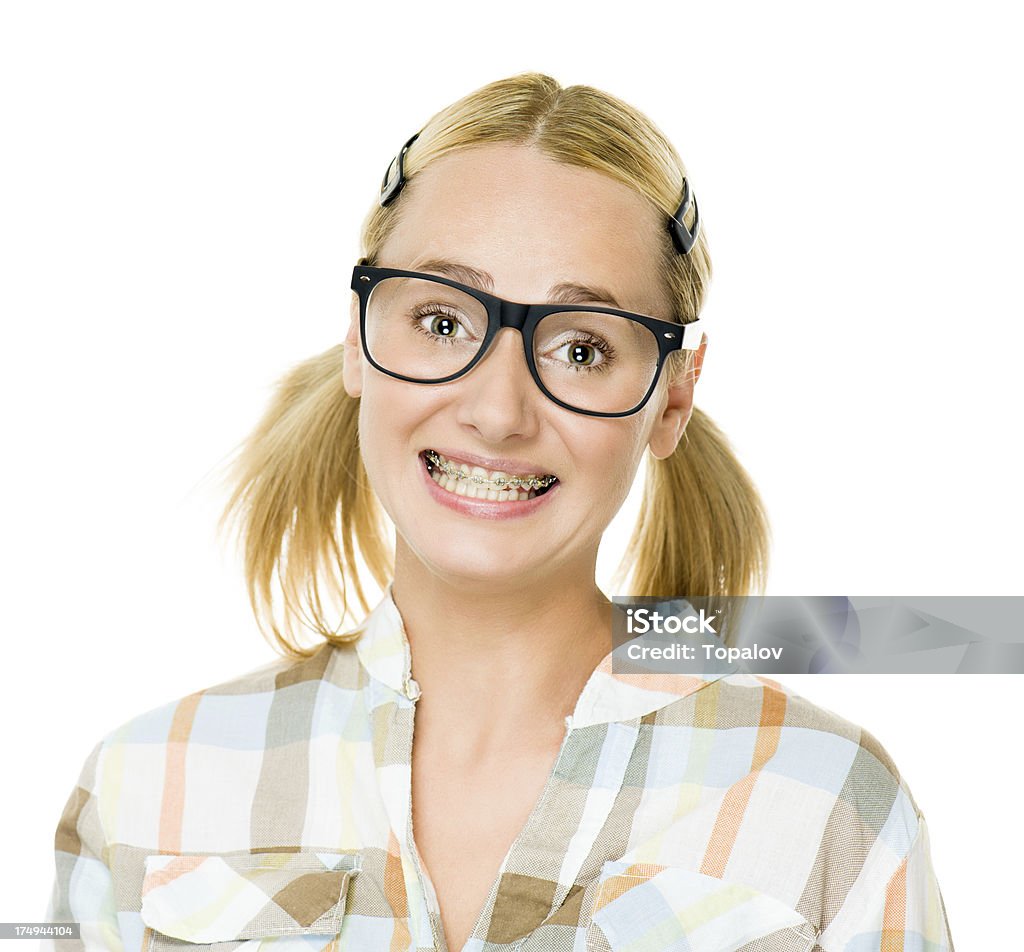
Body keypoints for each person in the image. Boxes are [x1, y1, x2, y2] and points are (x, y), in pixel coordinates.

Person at [45, 73, 953, 952]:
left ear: (672, 397)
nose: (499, 411)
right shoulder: (146, 790)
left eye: (582, 348)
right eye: (442, 322)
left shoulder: (824, 806)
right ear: (360, 339)